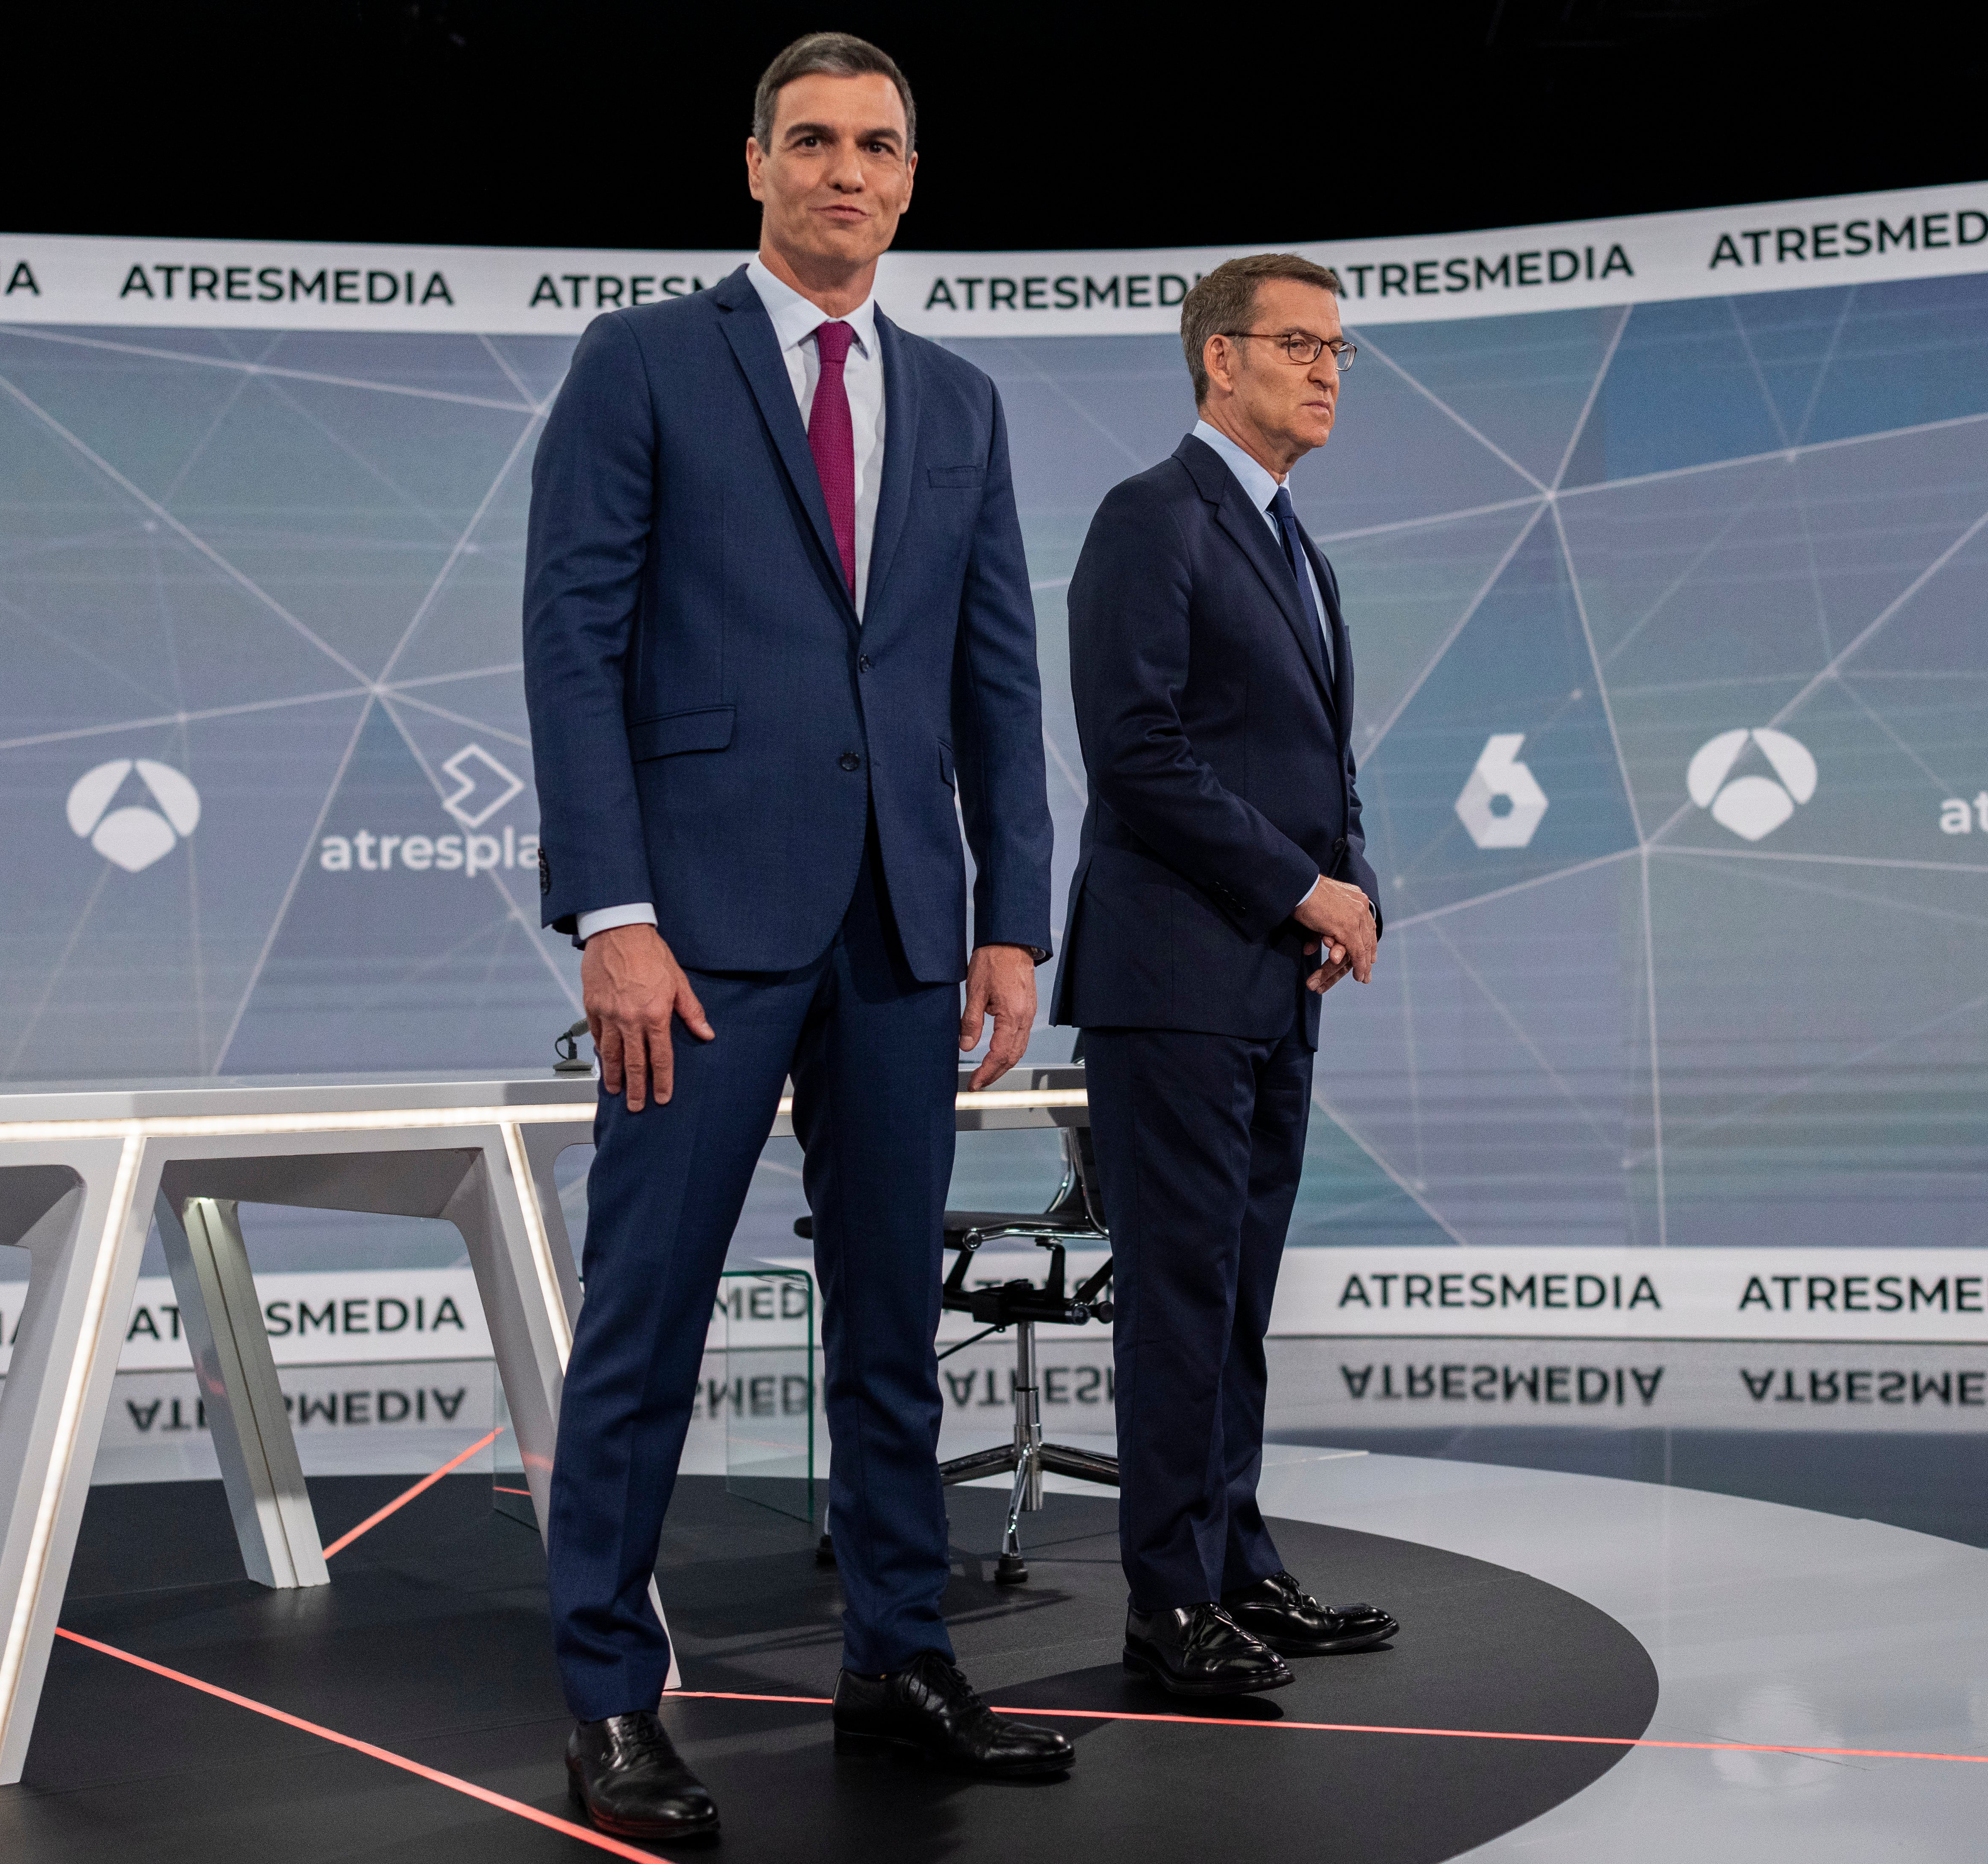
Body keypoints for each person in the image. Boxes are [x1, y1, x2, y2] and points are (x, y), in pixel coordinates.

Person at [522, 28, 1070, 1844]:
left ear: (911, 180)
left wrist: (1013, 921)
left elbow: (995, 675)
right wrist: (611, 913)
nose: (847, 170)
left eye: (880, 145)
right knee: (646, 1317)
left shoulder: (963, 401)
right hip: (693, 931)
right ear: (750, 163)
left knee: (886, 1323)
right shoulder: (642, 365)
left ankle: (897, 1657)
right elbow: (571, 641)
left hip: (907, 926)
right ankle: (609, 1697)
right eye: (813, 140)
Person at [1054, 252, 1402, 1699]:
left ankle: (1238, 1563)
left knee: (1239, 1291)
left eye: (1340, 351)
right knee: (1182, 1295)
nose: (1328, 371)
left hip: (1270, 978)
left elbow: (1319, 765)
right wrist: (1299, 884)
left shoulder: (1298, 546)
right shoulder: (1153, 517)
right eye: (1300, 345)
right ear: (1220, 360)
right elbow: (1135, 751)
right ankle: (1167, 1600)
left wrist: (1354, 887)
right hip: (1176, 977)